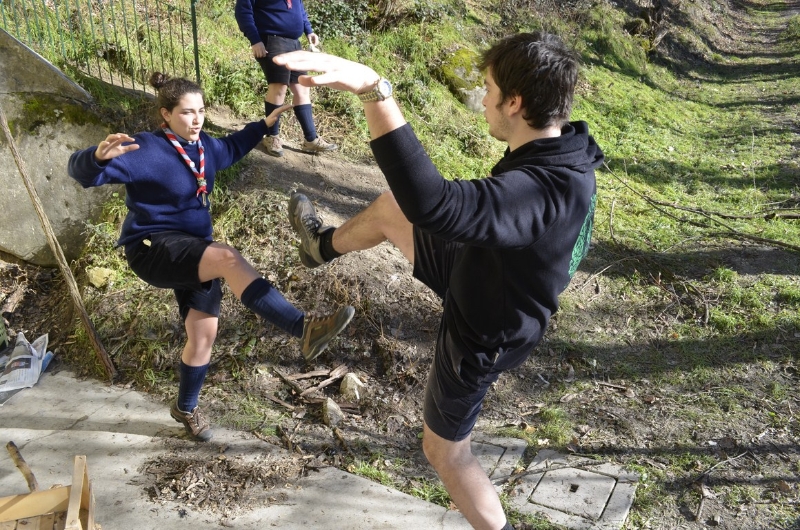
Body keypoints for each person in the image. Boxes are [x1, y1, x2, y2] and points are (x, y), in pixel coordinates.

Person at [275, 32, 604, 530]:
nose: (484, 100)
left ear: (515, 103)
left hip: (485, 328)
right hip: (485, 269)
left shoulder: (540, 191)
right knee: (392, 209)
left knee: (445, 451)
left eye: (489, 90)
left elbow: (436, 204)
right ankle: (320, 247)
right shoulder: (568, 149)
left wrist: (374, 90)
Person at [68, 72, 354, 443]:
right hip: (153, 248)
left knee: (203, 334)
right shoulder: (145, 149)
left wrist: (262, 126)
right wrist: (94, 158)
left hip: (193, 249)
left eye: (201, 111)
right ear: (166, 114)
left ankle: (185, 408)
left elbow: (232, 147)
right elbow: (82, 173)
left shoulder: (204, 147)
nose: (197, 119)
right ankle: (304, 329)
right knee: (227, 258)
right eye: (187, 112)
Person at [235, 0, 337, 157]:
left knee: (302, 87)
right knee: (279, 87)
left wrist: (309, 31)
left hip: (294, 43)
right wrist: (255, 40)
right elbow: (243, 11)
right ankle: (272, 136)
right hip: (272, 40)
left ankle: (310, 140)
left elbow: (299, 9)